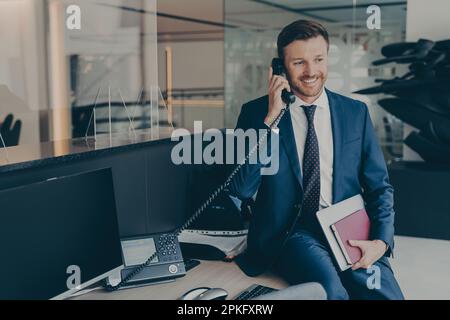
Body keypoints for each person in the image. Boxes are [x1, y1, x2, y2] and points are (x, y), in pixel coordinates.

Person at [229, 19, 404, 300]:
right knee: (330, 292)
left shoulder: (355, 113)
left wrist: (381, 242)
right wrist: (271, 122)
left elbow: (379, 187)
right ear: (280, 67)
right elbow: (241, 188)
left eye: (318, 59)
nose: (311, 71)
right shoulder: (256, 114)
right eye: (299, 62)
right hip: (293, 231)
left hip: (345, 225)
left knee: (385, 295)